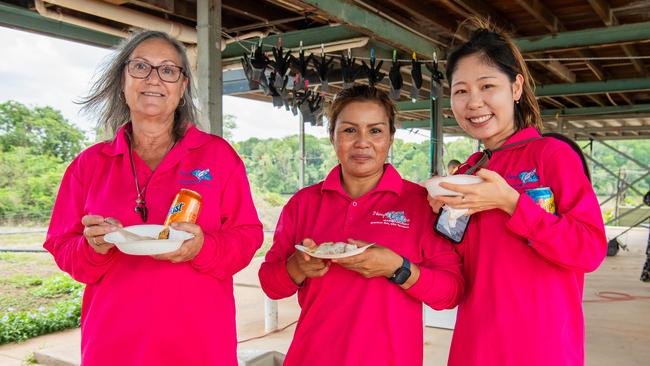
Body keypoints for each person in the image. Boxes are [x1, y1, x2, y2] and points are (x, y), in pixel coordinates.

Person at [44, 31, 263, 365]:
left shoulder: (217, 156)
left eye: (168, 70)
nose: (153, 79)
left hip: (200, 345)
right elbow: (62, 247)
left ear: (183, 86)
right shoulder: (89, 165)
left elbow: (247, 237)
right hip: (113, 345)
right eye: (141, 67)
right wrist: (93, 247)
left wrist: (203, 247)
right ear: (122, 79)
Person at [427, 20, 607, 365]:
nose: (474, 102)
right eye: (461, 90)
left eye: (487, 86)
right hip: (475, 346)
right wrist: (439, 215)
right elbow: (456, 267)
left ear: (515, 87)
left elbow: (589, 250)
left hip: (542, 347)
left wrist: (511, 203)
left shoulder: (551, 156)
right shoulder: (467, 171)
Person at [258, 85, 464, 365]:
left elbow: (450, 293)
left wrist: (399, 269)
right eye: (349, 130)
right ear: (333, 136)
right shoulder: (303, 203)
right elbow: (271, 285)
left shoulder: (421, 204)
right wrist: (297, 267)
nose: (362, 142)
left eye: (375, 131)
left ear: (391, 138)